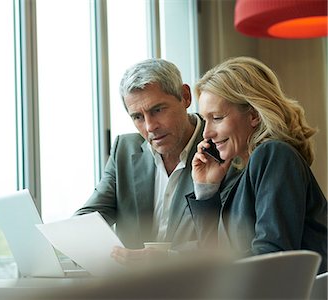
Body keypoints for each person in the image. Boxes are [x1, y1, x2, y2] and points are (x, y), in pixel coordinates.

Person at [186, 56, 327, 273]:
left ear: (253, 116)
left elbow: (271, 257)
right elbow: (214, 254)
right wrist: (206, 189)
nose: (206, 133)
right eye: (205, 120)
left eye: (217, 117)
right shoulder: (245, 173)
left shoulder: (274, 154)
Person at [74, 58, 207, 266]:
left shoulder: (220, 145)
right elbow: (89, 217)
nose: (150, 126)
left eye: (158, 110)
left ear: (185, 97)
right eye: (137, 117)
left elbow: (228, 239)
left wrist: (168, 260)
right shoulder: (124, 150)